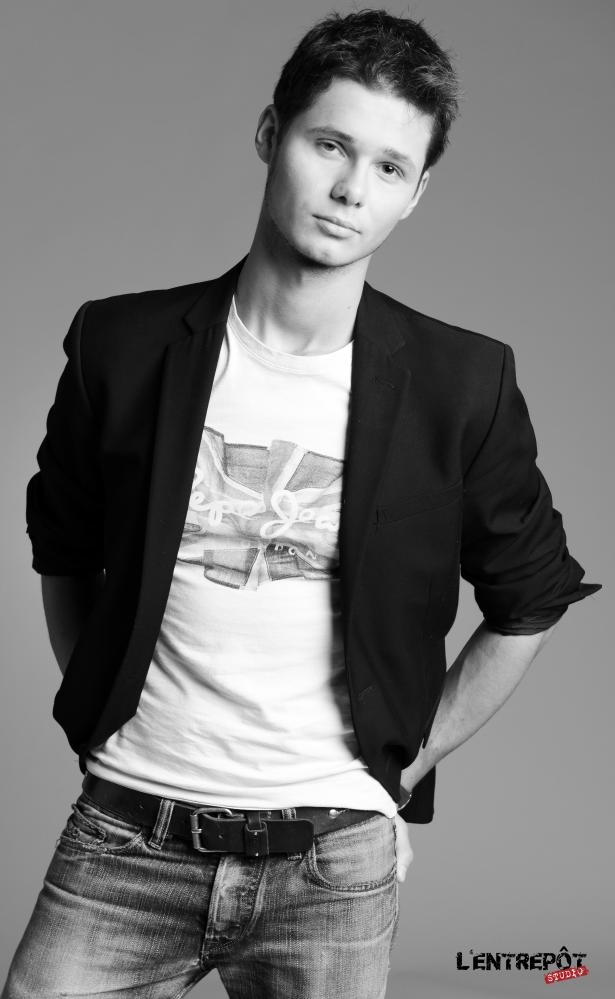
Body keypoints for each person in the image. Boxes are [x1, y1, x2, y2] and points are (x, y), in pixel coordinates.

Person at [3, 9, 600, 999]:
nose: (352, 190)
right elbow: (61, 545)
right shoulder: (120, 347)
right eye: (330, 145)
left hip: (333, 862)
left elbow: (531, 597)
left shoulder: (462, 383)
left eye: (389, 167)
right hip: (126, 834)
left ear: (415, 192)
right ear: (270, 134)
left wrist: (395, 773)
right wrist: (102, 714)